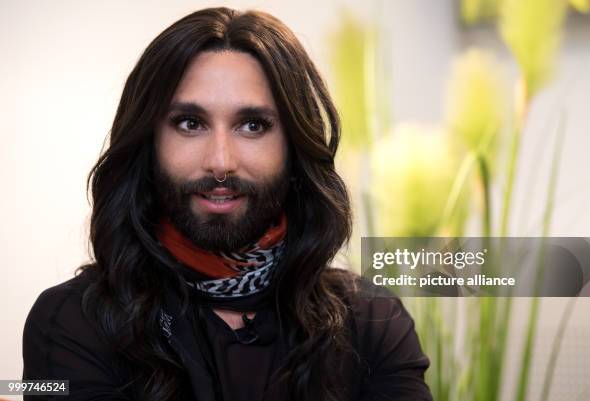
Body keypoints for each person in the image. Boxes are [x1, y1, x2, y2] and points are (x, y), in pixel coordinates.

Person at [22, 7, 433, 401]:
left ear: (293, 148)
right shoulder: (70, 321)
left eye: (252, 125)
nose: (221, 160)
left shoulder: (374, 321)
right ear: (149, 144)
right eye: (190, 123)